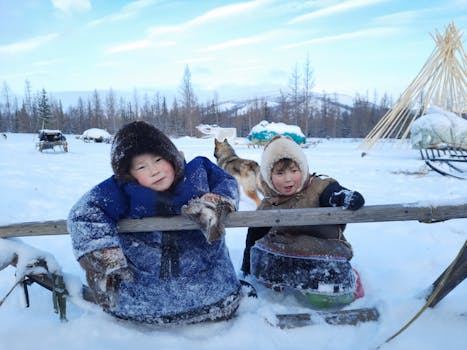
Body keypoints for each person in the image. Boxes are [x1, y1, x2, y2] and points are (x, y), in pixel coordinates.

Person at [67, 121, 241, 325]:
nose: (154, 171)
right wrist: (107, 260)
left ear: (172, 156)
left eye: (159, 160)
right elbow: (84, 213)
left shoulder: (197, 172)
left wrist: (213, 204)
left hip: (211, 295)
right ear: (128, 175)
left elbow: (227, 183)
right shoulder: (120, 190)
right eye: (141, 167)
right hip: (145, 304)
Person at [241, 135, 365, 309]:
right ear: (268, 176)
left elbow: (330, 192)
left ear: (303, 168)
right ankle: (291, 281)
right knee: (264, 259)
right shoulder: (270, 202)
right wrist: (247, 267)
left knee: (325, 297)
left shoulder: (316, 186)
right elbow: (254, 236)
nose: (288, 179)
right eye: (280, 173)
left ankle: (343, 283)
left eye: (294, 170)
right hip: (290, 253)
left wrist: (341, 196)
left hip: (323, 252)